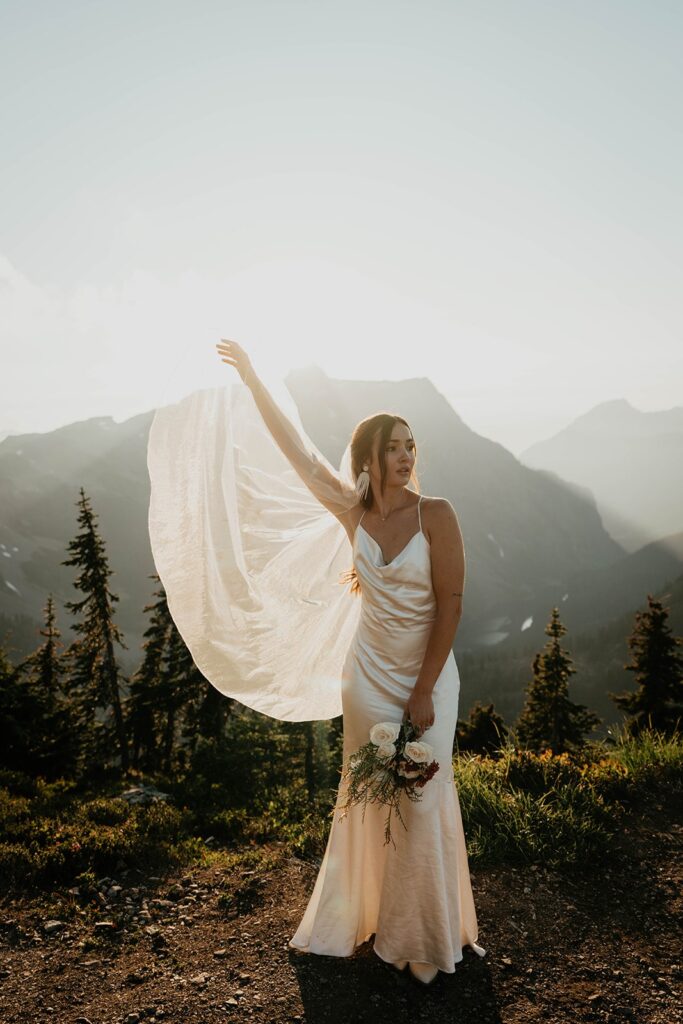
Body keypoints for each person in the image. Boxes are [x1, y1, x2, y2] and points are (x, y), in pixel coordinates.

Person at [146, 338, 485, 987]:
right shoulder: (350, 512)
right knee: (366, 799)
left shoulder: (436, 514)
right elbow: (296, 451)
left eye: (411, 444)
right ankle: (368, 921)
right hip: (365, 679)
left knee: (422, 795)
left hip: (426, 678)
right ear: (370, 456)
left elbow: (450, 606)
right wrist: (251, 380)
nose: (407, 455)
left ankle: (426, 936)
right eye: (394, 446)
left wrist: (422, 691)